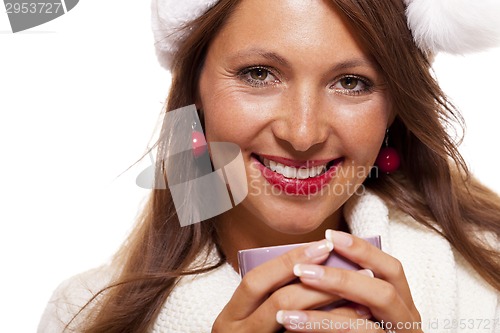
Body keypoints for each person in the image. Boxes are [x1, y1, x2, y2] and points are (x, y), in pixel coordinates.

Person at [38, 0, 500, 332]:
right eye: (259, 74)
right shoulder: (82, 315)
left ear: (395, 108)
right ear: (194, 90)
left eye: (352, 82)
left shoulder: (490, 277)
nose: (302, 133)